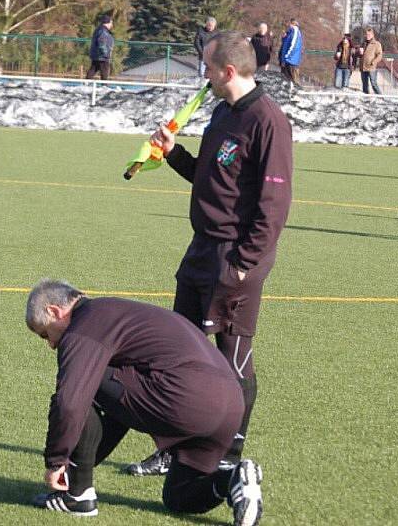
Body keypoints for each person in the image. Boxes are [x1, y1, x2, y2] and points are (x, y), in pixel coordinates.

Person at [125, 31, 293, 477]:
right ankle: (173, 448)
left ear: (229, 71)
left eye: (208, 67)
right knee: (180, 351)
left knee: (232, 359)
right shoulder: (223, 112)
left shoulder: (267, 120)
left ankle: (228, 455)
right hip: (201, 249)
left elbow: (273, 205)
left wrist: (244, 261)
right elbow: (209, 175)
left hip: (236, 257)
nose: (204, 75)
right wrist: (173, 153)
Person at [25, 280, 264, 526]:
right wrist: (78, 466)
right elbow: (121, 408)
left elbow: (70, 403)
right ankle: (233, 479)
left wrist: (56, 461)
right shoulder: (115, 312)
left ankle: (79, 497)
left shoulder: (84, 325)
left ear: (55, 311)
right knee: (180, 497)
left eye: (45, 333)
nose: (50, 344)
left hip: (187, 398)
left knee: (80, 384)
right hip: (231, 405)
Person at [85, 15, 114, 80]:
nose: (112, 25)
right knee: (104, 72)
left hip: (97, 55)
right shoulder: (103, 31)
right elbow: (101, 42)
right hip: (102, 56)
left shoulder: (100, 30)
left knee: (93, 69)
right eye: (111, 23)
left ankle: (85, 84)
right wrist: (106, 54)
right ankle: (104, 87)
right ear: (107, 23)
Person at [278, 18, 303, 86]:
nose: (286, 25)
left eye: (288, 23)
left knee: (293, 81)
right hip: (286, 61)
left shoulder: (295, 31)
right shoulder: (290, 32)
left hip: (291, 61)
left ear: (292, 23)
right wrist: (284, 38)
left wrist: (286, 58)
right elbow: (286, 45)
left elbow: (293, 46)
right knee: (285, 82)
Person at [359, 27, 382, 94]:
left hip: (371, 67)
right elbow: (360, 54)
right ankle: (366, 99)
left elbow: (380, 55)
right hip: (363, 67)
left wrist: (374, 62)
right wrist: (359, 53)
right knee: (365, 85)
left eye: (369, 35)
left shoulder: (376, 44)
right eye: (366, 34)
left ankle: (381, 97)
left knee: (373, 83)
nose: (367, 36)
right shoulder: (363, 43)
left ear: (372, 35)